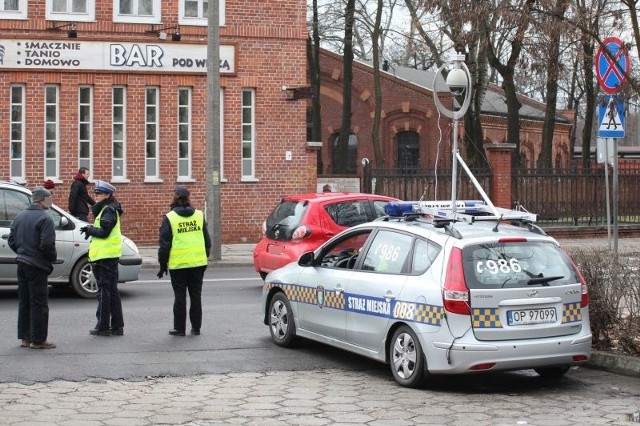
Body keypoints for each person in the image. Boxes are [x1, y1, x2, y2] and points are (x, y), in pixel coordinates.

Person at [158, 186, 211, 336]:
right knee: (196, 296)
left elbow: (164, 245)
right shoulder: (199, 215)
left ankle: (179, 329)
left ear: (174, 198)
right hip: (198, 263)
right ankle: (196, 328)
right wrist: (204, 256)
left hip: (178, 264)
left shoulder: (170, 217)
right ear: (188, 198)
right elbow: (207, 241)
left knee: (180, 296)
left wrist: (163, 265)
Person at [8, 187, 57, 349]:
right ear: (42, 200)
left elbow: (11, 241)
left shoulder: (19, 217)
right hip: (37, 265)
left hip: (22, 263)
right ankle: (38, 339)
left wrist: (22, 253)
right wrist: (50, 259)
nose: (50, 201)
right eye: (49, 198)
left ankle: (25, 337)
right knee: (39, 302)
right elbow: (47, 245)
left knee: (25, 301)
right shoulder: (45, 219)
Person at [79, 180, 124, 337]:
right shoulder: (107, 209)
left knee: (104, 292)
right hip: (106, 256)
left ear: (107, 195)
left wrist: (91, 230)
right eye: (95, 193)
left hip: (106, 258)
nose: (95, 196)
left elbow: (104, 232)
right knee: (111, 291)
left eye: (98, 194)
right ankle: (117, 326)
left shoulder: (108, 210)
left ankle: (103, 325)